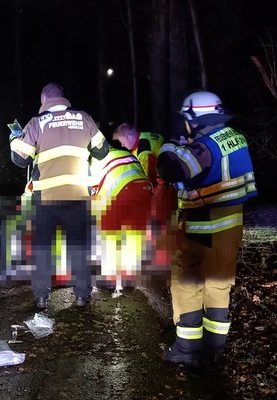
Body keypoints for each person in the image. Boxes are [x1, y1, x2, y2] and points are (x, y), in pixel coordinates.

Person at [157, 91, 257, 366]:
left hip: (203, 225)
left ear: (195, 120)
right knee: (219, 284)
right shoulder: (235, 138)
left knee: (188, 285)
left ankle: (188, 351)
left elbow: (169, 170)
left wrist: (169, 146)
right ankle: (214, 348)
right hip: (231, 225)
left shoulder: (204, 147)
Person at [10, 82, 109, 309]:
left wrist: (14, 139)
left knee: (43, 249)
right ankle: (82, 296)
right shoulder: (84, 118)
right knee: (79, 247)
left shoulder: (36, 122)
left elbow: (20, 160)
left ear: (44, 100)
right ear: (62, 97)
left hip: (46, 198)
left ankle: (42, 298)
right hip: (78, 196)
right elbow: (102, 151)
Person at [89, 139, 152, 290]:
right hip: (145, 190)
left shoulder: (95, 158)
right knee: (135, 234)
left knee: (109, 234)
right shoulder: (126, 153)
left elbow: (92, 189)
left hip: (121, 192)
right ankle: (129, 278)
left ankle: (109, 279)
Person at [113, 123, 177, 271]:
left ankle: (158, 253)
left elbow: (148, 180)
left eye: (122, 141)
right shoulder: (144, 137)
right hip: (171, 174)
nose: (122, 146)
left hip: (168, 182)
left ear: (130, 136)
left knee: (157, 214)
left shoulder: (143, 151)